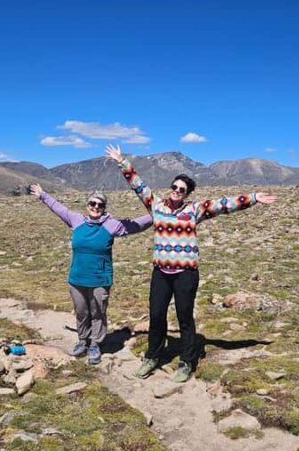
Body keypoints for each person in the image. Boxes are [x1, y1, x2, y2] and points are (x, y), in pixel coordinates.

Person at [105, 144, 278, 382]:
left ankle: (186, 362)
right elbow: (138, 185)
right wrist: (122, 161)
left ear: (187, 194)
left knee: (185, 317)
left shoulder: (194, 210)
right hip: (161, 273)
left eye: (182, 189)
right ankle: (152, 357)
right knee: (156, 316)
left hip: (186, 274)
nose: (176, 191)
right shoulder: (156, 206)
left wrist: (254, 198)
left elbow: (224, 204)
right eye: (174, 187)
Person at [30, 184, 152, 364]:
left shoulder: (111, 225)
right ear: (87, 205)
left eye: (100, 205)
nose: (95, 207)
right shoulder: (76, 220)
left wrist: (159, 215)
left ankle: (95, 343)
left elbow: (137, 224)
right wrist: (43, 195)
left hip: (100, 280)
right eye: (92, 203)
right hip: (77, 279)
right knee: (81, 312)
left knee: (98, 313)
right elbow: (59, 208)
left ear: (104, 208)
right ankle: (82, 340)